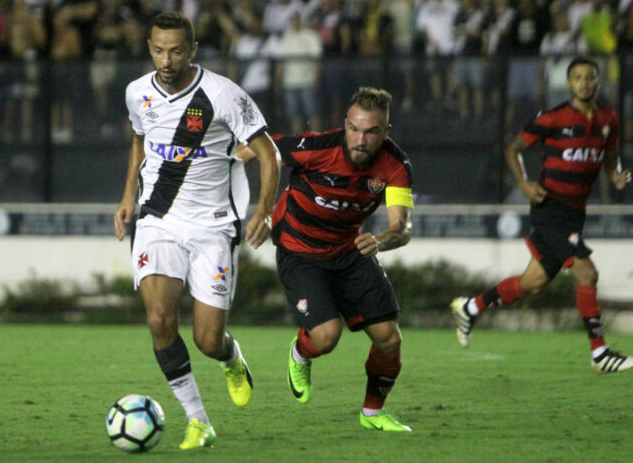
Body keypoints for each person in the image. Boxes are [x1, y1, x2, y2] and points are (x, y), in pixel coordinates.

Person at [113, 12, 279, 450]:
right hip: (157, 220)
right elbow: (138, 139)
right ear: (149, 47)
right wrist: (129, 195)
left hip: (213, 228)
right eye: (157, 50)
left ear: (192, 50)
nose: (166, 60)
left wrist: (264, 208)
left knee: (208, 340)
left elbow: (268, 153)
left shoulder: (222, 95)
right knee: (159, 320)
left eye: (175, 51)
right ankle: (197, 420)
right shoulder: (136, 92)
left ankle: (232, 357)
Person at [239, 86, 415, 432]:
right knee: (326, 336)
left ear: (386, 132)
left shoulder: (395, 166)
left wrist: (381, 240)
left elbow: (402, 228)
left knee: (389, 338)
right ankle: (300, 354)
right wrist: (255, 204)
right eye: (354, 128)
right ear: (344, 124)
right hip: (299, 249)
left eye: (370, 131)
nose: (360, 139)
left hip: (351, 250)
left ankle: (373, 413)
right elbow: (261, 151)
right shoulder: (317, 147)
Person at [450, 56, 633, 374]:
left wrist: (615, 174)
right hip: (550, 208)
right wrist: (524, 183)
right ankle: (600, 353)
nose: (584, 82)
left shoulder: (608, 120)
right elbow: (513, 148)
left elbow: (609, 155)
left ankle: (470, 306)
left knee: (531, 283)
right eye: (578, 77)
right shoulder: (554, 118)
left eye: (590, 77)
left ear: (597, 81)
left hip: (575, 214)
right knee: (587, 273)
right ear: (569, 82)